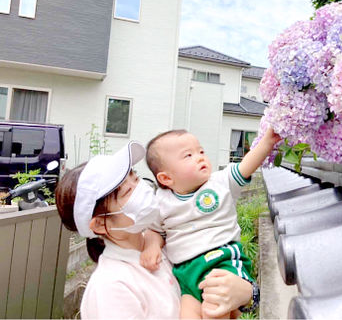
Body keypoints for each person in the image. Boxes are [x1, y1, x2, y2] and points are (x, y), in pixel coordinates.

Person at [55, 141, 253, 319]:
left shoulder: (170, 240)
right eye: (127, 192)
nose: (140, 187)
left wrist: (249, 293)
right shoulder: (111, 288)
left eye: (135, 177)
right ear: (99, 225)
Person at [142, 128, 280, 318]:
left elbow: (245, 166)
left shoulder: (219, 183)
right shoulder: (161, 202)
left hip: (220, 260)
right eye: (188, 155)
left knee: (215, 309)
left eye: (201, 152)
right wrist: (151, 246)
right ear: (166, 178)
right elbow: (154, 230)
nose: (200, 158)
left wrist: (266, 143)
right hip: (186, 273)